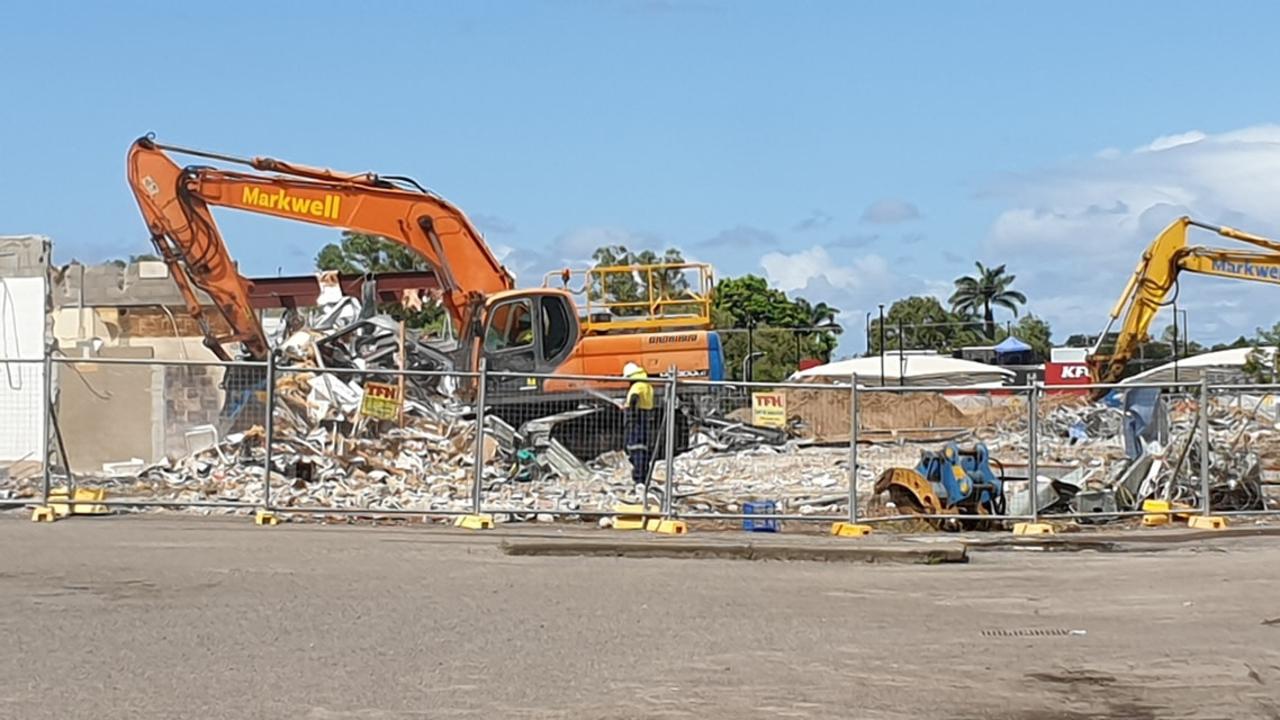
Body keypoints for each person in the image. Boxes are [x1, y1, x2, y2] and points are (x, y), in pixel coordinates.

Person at [622, 361, 656, 489]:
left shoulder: (637, 386)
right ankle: (643, 477)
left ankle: (638, 478)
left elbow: (634, 400)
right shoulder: (647, 386)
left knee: (634, 447)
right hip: (645, 417)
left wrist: (629, 410)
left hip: (636, 420)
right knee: (643, 448)